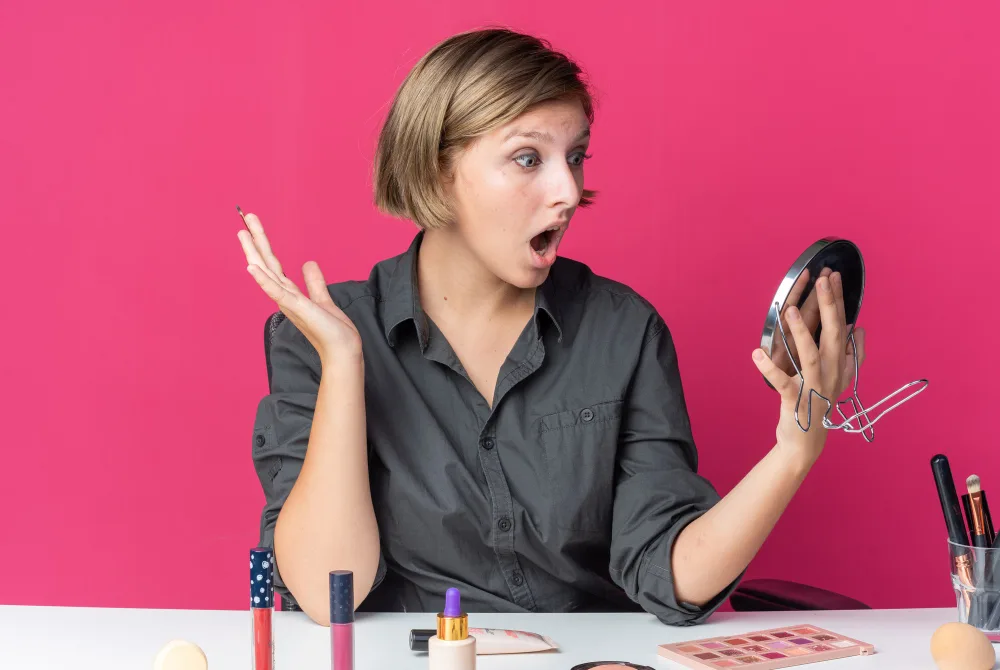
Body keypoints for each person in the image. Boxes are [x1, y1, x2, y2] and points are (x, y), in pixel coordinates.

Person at [238, 27, 866, 628]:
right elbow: (326, 592)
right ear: (436, 173)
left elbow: (671, 572)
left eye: (575, 157)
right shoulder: (320, 336)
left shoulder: (624, 330)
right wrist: (346, 365)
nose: (567, 191)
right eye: (528, 158)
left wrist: (792, 454)